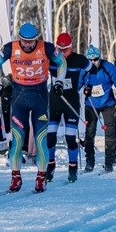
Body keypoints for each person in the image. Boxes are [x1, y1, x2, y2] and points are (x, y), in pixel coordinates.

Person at [0, 22, 66, 192]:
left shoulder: (46, 48)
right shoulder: (10, 48)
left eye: (32, 41)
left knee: (41, 141)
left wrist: (59, 82)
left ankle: (41, 178)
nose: (28, 44)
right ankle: (16, 178)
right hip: (19, 99)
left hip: (40, 98)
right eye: (25, 41)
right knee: (17, 141)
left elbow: (61, 63)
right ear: (20, 39)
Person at [45, 33, 89, 182]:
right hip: (55, 101)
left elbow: (92, 71)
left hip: (71, 101)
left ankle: (73, 168)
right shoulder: (52, 59)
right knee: (50, 137)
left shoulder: (79, 60)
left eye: (66, 50)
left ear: (71, 47)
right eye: (60, 49)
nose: (63, 53)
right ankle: (50, 166)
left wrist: (87, 85)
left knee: (70, 137)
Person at [82, 45, 116, 172]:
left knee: (110, 133)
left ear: (100, 58)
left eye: (95, 59)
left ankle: (109, 161)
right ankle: (89, 161)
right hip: (91, 104)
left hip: (108, 104)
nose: (93, 63)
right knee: (89, 133)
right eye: (89, 60)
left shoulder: (109, 68)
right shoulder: (84, 69)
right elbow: (77, 85)